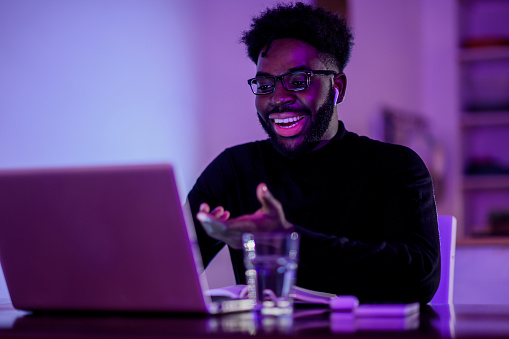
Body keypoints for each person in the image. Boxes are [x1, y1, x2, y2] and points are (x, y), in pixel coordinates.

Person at [186, 2, 440, 303]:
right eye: (265, 84)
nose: (278, 98)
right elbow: (167, 271)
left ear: (338, 88)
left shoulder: (394, 166)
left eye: (298, 81)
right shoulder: (235, 169)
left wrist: (285, 240)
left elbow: (419, 278)